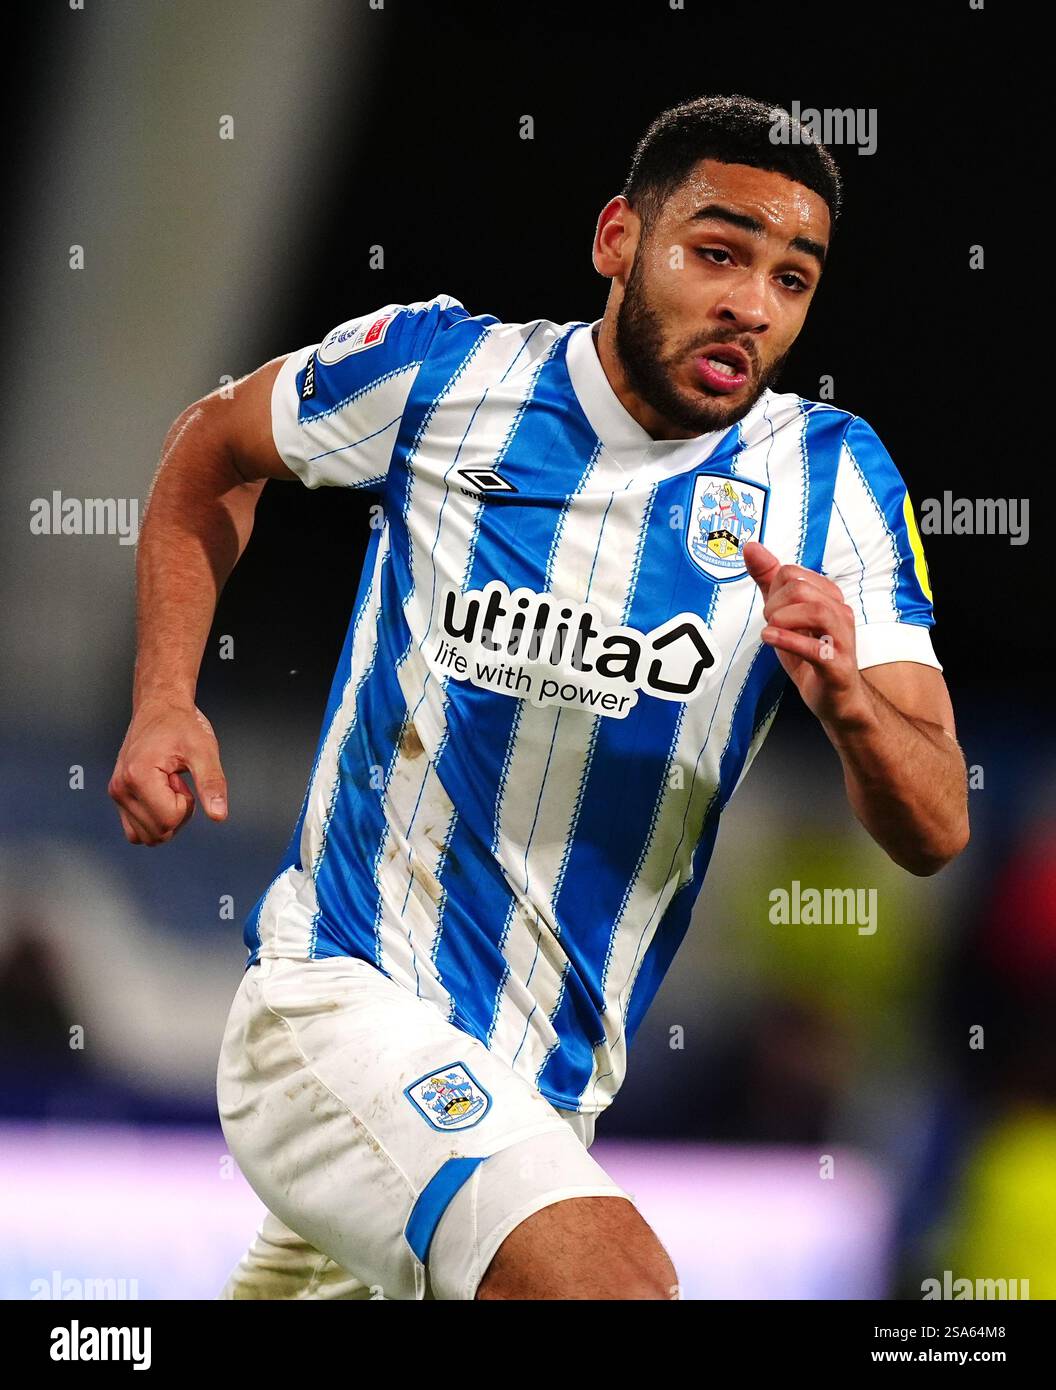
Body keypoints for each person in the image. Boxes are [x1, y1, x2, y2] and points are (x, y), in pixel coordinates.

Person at [108, 94, 970, 1300]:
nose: (752, 304)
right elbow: (214, 445)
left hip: (544, 1097)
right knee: (609, 1281)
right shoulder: (442, 372)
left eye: (792, 277)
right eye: (717, 253)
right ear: (619, 238)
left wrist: (850, 704)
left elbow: (935, 825)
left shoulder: (832, 481)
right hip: (337, 999)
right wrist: (164, 699)